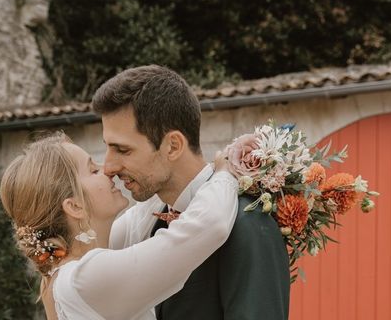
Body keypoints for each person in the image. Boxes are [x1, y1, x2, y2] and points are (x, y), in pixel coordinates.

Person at [92, 65, 291, 320]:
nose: (108, 167)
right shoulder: (145, 223)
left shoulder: (247, 222)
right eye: (108, 148)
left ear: (173, 146)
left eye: (123, 150)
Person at [0, 132, 238, 320]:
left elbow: (144, 213)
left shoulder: (78, 260)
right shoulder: (87, 277)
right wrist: (225, 171)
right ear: (74, 206)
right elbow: (207, 226)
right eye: (93, 170)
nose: (107, 171)